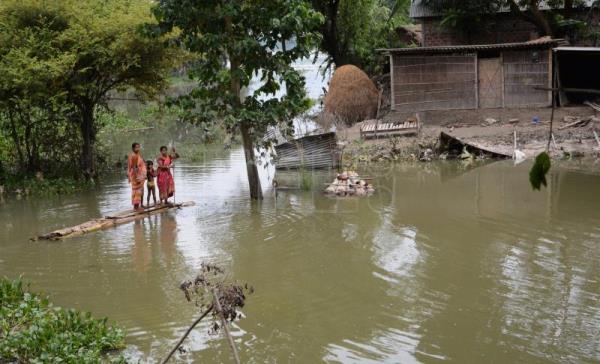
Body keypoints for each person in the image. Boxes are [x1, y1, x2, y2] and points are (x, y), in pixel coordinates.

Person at [127, 142, 147, 211]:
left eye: (139, 147)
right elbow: (134, 167)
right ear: (133, 148)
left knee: (137, 191)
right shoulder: (134, 156)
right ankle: (136, 207)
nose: (138, 148)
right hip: (136, 176)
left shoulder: (136, 155)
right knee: (137, 191)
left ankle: (136, 207)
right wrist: (137, 177)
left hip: (136, 175)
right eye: (136, 147)